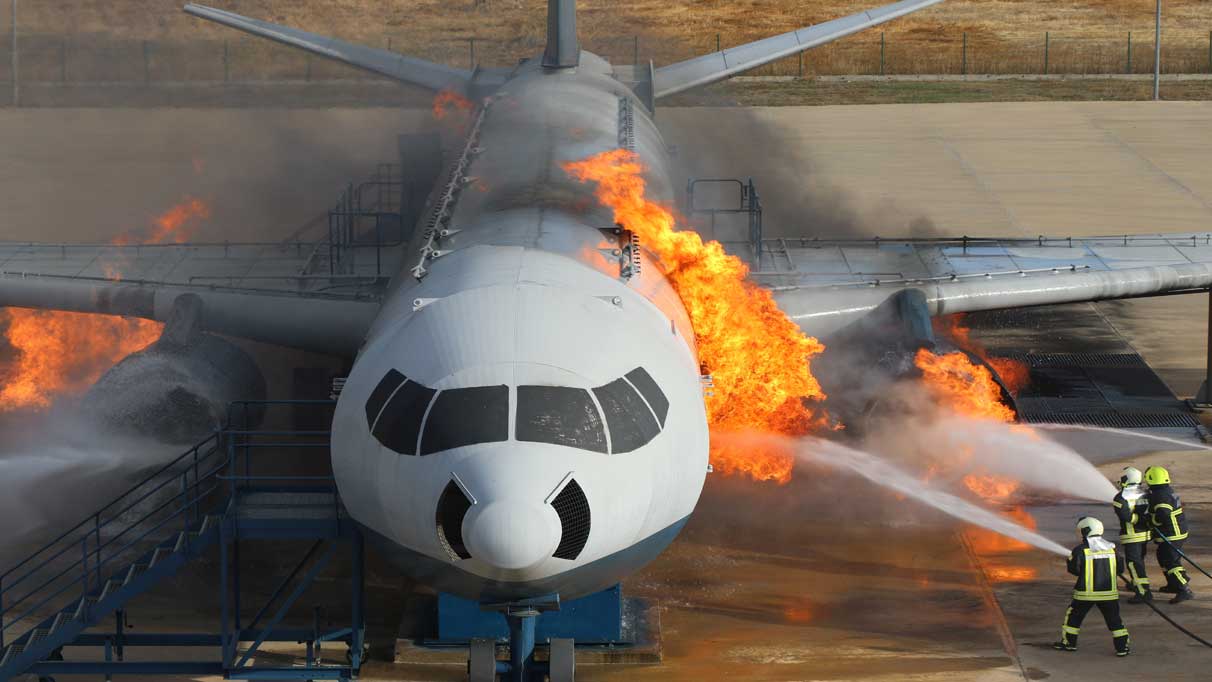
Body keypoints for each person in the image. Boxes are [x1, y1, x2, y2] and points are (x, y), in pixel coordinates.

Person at [1054, 517, 1130, 656]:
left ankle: (1069, 643)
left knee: (1073, 618)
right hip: (1109, 594)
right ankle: (1122, 648)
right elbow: (1120, 570)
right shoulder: (1112, 548)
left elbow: (1074, 570)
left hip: (1085, 594)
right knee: (1114, 620)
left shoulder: (1080, 550)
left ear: (1085, 531)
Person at [1144, 466, 1194, 604]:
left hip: (1172, 534)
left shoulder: (1160, 496)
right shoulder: (1164, 491)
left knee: (1170, 561)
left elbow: (1163, 515)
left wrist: (1150, 519)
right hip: (1176, 532)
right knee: (1163, 556)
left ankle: (1184, 588)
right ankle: (1173, 584)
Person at [1112, 466, 1152, 603]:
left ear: (1125, 479)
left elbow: (1125, 517)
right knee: (1139, 561)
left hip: (1132, 536)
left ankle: (1143, 592)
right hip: (1146, 535)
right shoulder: (1145, 493)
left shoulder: (1120, 498)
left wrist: (1137, 520)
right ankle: (1136, 584)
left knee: (1134, 564)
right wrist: (1144, 521)